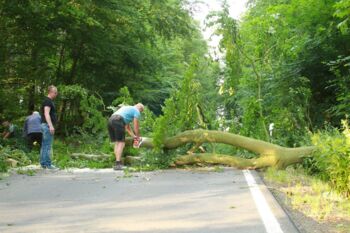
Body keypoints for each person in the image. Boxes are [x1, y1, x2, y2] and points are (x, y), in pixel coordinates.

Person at [108, 103, 144, 170]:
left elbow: (127, 127)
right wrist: (138, 137)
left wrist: (134, 136)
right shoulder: (136, 110)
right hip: (118, 121)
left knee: (117, 143)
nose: (140, 113)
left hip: (111, 120)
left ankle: (116, 163)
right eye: (141, 111)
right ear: (140, 109)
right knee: (121, 143)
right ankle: (118, 164)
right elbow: (136, 126)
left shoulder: (127, 108)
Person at [40, 85, 58, 169]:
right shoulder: (48, 101)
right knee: (47, 146)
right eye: (55, 92)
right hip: (47, 126)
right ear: (50, 92)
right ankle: (48, 164)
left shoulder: (47, 101)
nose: (56, 94)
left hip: (45, 125)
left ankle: (43, 163)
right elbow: (46, 113)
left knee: (44, 145)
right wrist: (51, 126)